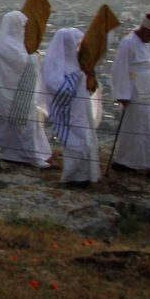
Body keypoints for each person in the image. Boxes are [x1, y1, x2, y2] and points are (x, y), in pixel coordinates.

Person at [0, 9, 52, 167]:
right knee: (26, 124)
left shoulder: (13, 42)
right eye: (23, 25)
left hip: (11, 91)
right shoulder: (7, 44)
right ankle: (32, 156)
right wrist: (35, 57)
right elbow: (23, 62)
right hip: (14, 93)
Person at [109, 12, 150, 177]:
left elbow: (149, 67)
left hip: (148, 94)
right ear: (143, 30)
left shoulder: (145, 44)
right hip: (135, 95)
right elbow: (119, 69)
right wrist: (123, 94)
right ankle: (129, 161)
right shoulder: (128, 43)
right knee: (136, 128)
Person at [41, 27, 101, 186]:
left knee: (85, 138)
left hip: (81, 108)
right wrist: (78, 78)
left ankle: (86, 175)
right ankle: (74, 176)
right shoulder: (53, 62)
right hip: (67, 110)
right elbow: (55, 86)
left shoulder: (77, 61)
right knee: (75, 141)